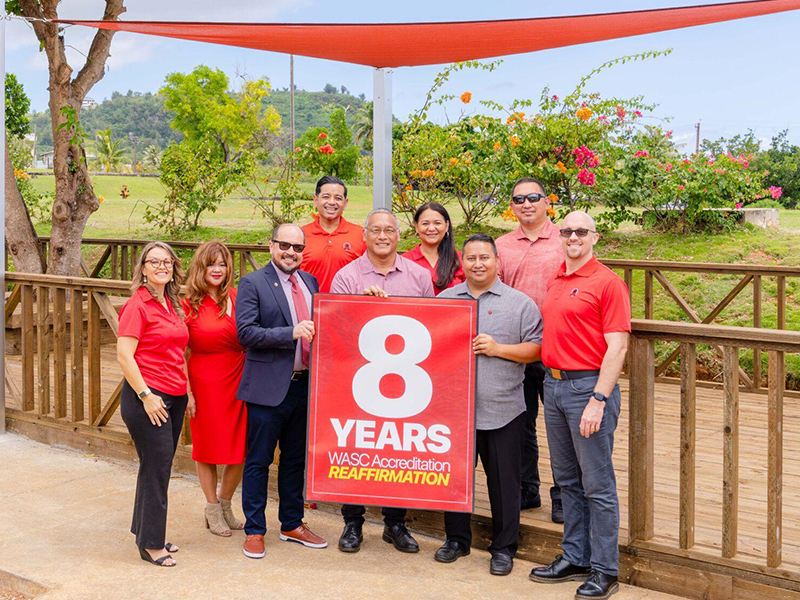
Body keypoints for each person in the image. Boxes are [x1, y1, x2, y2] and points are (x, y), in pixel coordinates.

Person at [529, 211, 630, 600]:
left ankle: (605, 569)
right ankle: (576, 555)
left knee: (597, 484)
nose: (573, 236)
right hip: (554, 387)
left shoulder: (607, 282)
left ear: (594, 237)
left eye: (581, 231)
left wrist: (598, 399)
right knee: (567, 479)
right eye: (567, 230)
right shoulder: (557, 278)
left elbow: (617, 346)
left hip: (588, 389)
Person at [437, 234, 543, 576]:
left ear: (497, 261)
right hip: (455, 412)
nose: (478, 264)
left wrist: (499, 349)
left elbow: (537, 349)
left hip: (504, 410)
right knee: (454, 480)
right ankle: (456, 539)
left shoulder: (521, 303)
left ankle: (503, 548)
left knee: (504, 484)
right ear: (461, 263)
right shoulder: (446, 299)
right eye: (471, 258)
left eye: (485, 258)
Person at [330, 207, 434, 553]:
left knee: (396, 449)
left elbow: (433, 326)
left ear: (399, 235)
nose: (383, 236)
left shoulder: (419, 277)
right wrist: (359, 306)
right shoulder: (346, 277)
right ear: (365, 235)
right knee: (358, 448)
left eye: (389, 230)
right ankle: (352, 522)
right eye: (375, 230)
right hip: (360, 379)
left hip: (404, 381)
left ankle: (395, 523)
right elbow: (338, 329)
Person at [236, 224, 328, 559]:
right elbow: (245, 333)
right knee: (259, 461)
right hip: (267, 390)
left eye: (298, 247)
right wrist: (290, 333)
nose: (291, 252)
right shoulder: (252, 283)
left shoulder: (310, 282)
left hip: (304, 388)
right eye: (285, 245)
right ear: (271, 245)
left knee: (294, 460)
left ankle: (292, 523)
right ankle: (255, 530)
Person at [496, 177, 565, 522]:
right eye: (519, 199)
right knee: (521, 423)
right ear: (512, 206)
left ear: (546, 202)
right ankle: (528, 488)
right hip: (516, 347)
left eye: (533, 197)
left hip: (557, 347)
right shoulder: (502, 245)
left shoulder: (565, 240)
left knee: (560, 424)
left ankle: (564, 494)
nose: (526, 204)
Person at [116, 242, 189, 568]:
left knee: (155, 468)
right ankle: (151, 545)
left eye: (167, 261)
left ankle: (145, 531)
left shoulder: (171, 304)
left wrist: (188, 392)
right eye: (154, 261)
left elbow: (178, 354)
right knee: (158, 471)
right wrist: (146, 396)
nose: (162, 266)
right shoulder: (137, 306)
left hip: (174, 396)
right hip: (148, 399)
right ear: (143, 268)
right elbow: (124, 356)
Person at [182, 241, 247, 537]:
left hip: (239, 379)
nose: (217, 269)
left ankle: (225, 503)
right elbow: (176, 351)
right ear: (201, 267)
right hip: (204, 380)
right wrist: (188, 392)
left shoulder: (238, 297)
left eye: (222, 264)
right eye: (211, 264)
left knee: (239, 449)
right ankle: (210, 507)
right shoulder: (187, 303)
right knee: (206, 450)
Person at [301, 176, 366, 293]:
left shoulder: (361, 235)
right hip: (309, 307)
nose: (331, 202)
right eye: (326, 197)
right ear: (315, 200)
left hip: (348, 307)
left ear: (345, 203)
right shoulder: (300, 236)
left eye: (338, 198)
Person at [403, 202, 464, 295]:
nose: (431, 228)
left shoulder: (461, 259)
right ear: (416, 226)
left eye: (437, 223)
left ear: (446, 226)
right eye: (425, 223)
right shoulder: (405, 261)